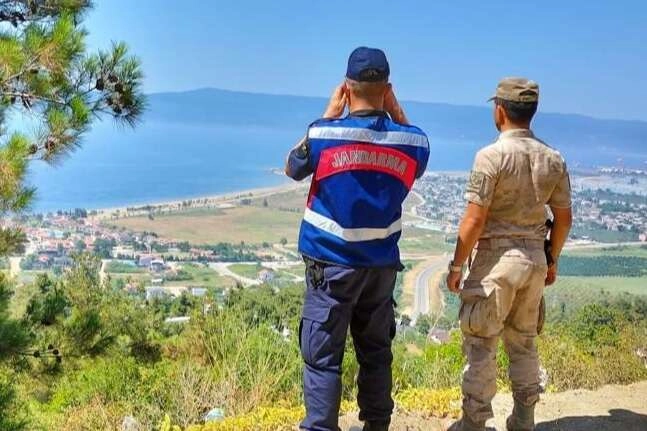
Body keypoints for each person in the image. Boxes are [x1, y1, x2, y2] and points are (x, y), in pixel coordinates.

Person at [285, 47, 430, 431]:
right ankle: (377, 425)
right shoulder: (413, 142)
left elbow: (293, 166)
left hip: (329, 266)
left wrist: (329, 114)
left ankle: (320, 426)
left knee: (322, 356)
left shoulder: (324, 133)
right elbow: (418, 152)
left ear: (346, 89)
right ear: (388, 89)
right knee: (376, 352)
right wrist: (395, 111)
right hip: (380, 268)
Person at [445, 78, 573, 431]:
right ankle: (523, 419)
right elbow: (563, 219)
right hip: (534, 262)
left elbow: (474, 219)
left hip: (494, 263)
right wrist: (552, 259)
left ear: (499, 110)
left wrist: (456, 265)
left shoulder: (490, 156)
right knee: (524, 343)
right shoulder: (553, 158)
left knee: (482, 345)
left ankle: (473, 422)